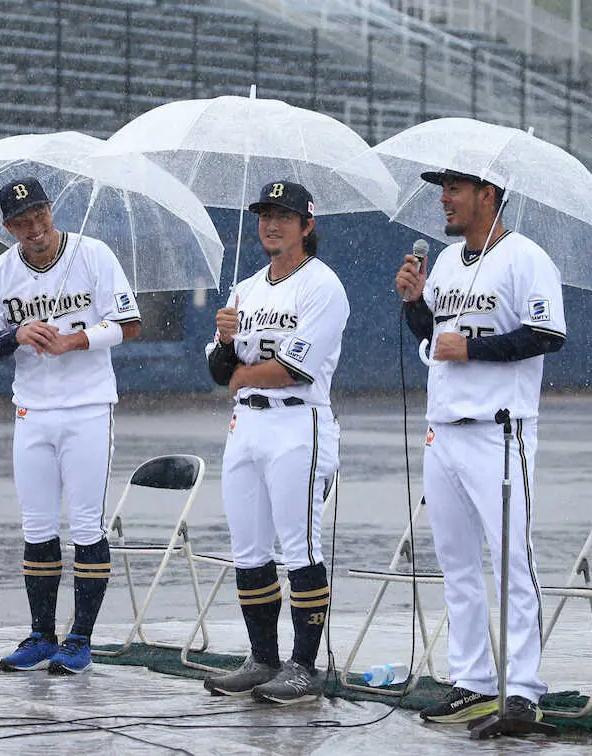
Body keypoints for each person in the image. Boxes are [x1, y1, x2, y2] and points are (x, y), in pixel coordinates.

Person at [394, 169, 566, 724]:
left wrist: (470, 349)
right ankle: (471, 680)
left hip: (500, 431)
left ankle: (523, 690)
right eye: (442, 189)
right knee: (457, 565)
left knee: (513, 561)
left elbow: (547, 335)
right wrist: (416, 305)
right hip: (442, 429)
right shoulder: (445, 263)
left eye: (455, 189)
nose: (443, 198)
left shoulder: (525, 257)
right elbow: (436, 338)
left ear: (487, 195)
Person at [0, 177, 142, 675]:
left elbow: (128, 324)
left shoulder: (92, 254)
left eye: (40, 216)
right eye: (23, 223)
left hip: (87, 406)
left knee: (86, 525)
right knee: (38, 526)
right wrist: (16, 333)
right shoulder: (1, 272)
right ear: (8, 227)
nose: (35, 229)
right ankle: (41, 634)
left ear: (51, 210)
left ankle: (80, 638)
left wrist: (78, 340)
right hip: (32, 409)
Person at [202, 180, 348, 704]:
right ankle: (262, 657)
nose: (271, 223)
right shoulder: (245, 288)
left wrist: (244, 374)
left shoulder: (322, 286)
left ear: (307, 225)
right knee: (249, 549)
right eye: (265, 213)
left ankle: (305, 666)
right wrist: (224, 344)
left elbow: (294, 370)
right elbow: (220, 371)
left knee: (301, 546)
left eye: (284, 215)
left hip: (298, 425)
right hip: (246, 427)